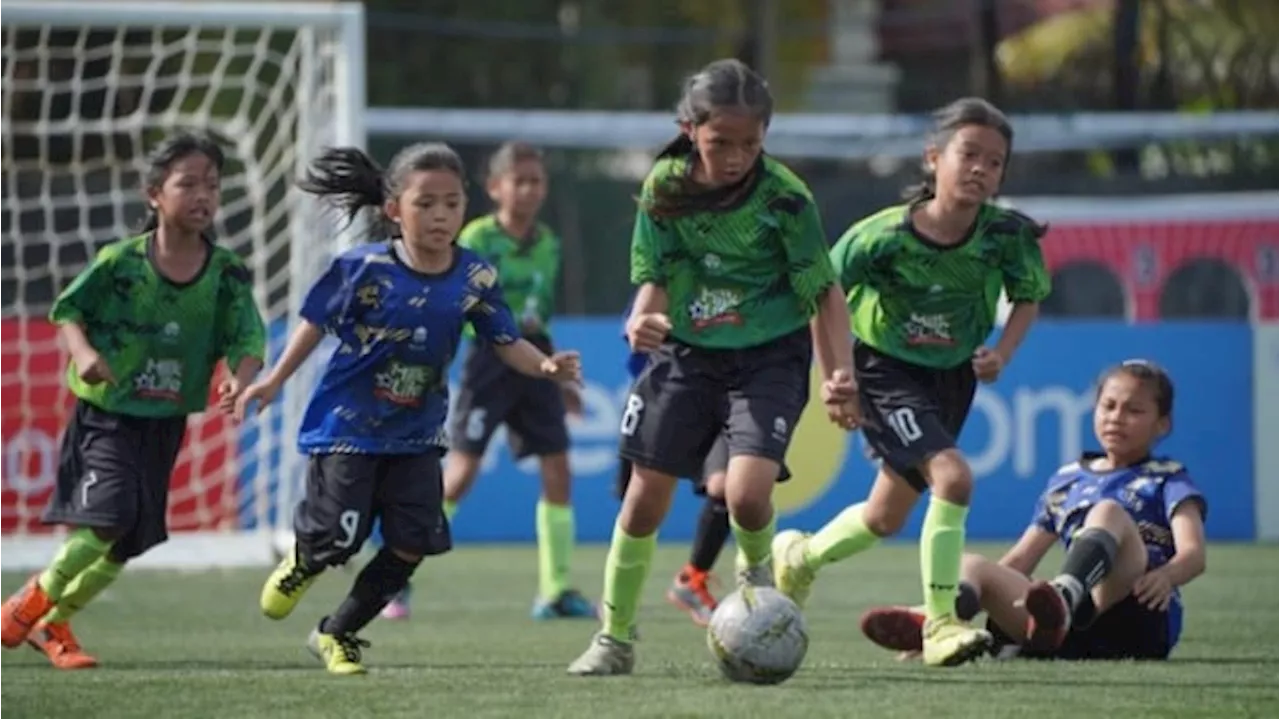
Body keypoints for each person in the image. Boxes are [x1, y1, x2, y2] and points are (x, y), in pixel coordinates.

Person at [235, 142, 581, 675]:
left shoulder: (474, 275)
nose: (441, 215)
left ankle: (337, 633)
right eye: (425, 203)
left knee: (412, 544)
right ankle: (307, 560)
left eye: (451, 203)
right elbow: (314, 322)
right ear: (394, 209)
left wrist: (546, 368)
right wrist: (274, 379)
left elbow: (506, 338)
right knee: (340, 540)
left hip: (417, 433)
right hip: (348, 427)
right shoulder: (362, 268)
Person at [568, 58, 857, 676]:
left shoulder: (785, 197)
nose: (734, 156)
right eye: (719, 142)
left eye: (749, 143)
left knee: (748, 498)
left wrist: (840, 374)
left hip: (770, 356)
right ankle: (614, 638)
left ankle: (755, 581)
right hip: (689, 354)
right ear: (689, 128)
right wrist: (639, 320)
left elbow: (824, 292)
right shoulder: (664, 188)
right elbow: (653, 281)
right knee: (644, 501)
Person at [771, 97, 1053, 668]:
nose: (980, 169)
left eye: (994, 162)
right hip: (885, 369)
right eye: (968, 154)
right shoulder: (879, 237)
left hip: (950, 379)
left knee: (884, 516)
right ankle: (941, 624)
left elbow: (1028, 297)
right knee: (953, 476)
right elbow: (820, 298)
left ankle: (801, 557)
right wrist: (837, 377)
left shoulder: (1007, 236)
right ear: (933, 158)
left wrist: (1000, 351)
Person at [0, 133, 266, 669]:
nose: (202, 196)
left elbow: (248, 339)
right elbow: (68, 310)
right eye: (187, 183)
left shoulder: (227, 274)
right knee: (109, 518)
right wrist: (82, 353)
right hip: (108, 415)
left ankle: (54, 623)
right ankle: (26, 605)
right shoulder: (120, 263)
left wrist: (240, 378)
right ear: (153, 195)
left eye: (211, 185)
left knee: (126, 544)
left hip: (166, 421)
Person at [859, 360, 1207, 662]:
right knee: (970, 564)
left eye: (1134, 411)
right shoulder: (1067, 480)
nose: (1117, 418)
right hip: (1072, 631)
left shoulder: (1167, 478)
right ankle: (941, 625)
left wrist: (1167, 577)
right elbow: (1021, 561)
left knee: (1108, 512)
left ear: (1162, 424)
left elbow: (1193, 554)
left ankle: (1065, 598)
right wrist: (986, 588)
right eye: (1109, 406)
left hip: (1139, 617)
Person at [380, 141, 592, 622]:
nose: (529, 190)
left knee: (558, 471)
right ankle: (395, 580)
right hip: (491, 361)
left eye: (536, 180)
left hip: (536, 360)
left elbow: (540, 315)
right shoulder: (475, 237)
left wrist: (561, 380)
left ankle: (555, 592)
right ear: (495, 188)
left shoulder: (549, 243)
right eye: (518, 180)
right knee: (461, 474)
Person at [614, 296, 731, 627]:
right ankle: (618, 612)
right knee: (637, 504)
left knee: (729, 487)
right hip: (669, 388)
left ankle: (693, 578)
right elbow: (636, 341)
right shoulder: (670, 274)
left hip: (730, 391)